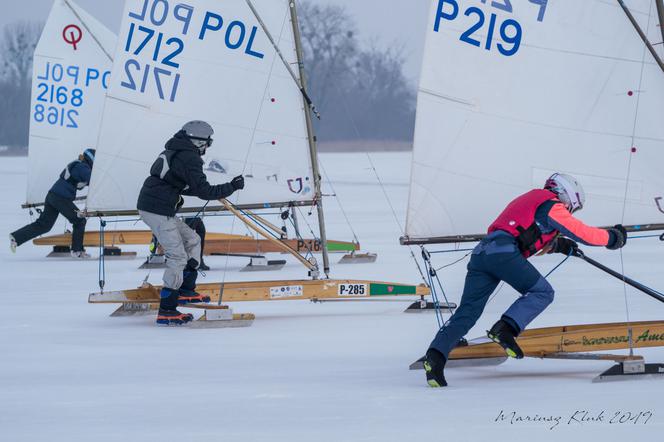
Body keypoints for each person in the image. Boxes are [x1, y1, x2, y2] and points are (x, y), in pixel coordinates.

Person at [424, 173, 628, 388]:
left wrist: (560, 246)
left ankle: (435, 358)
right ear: (566, 197)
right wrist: (613, 238)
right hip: (502, 253)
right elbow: (582, 233)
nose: (570, 211)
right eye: (572, 207)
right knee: (543, 292)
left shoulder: (532, 200)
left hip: (482, 255)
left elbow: (530, 233)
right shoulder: (551, 204)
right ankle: (505, 329)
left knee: (467, 313)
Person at [137, 121, 245, 326]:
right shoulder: (190, 158)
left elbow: (187, 185)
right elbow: (203, 190)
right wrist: (231, 186)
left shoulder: (177, 149)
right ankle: (167, 310)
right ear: (199, 141)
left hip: (159, 206)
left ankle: (186, 291)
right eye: (207, 144)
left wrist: (219, 188)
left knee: (193, 239)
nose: (207, 148)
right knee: (177, 256)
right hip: (156, 209)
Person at [10, 149, 96, 258]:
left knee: (44, 225)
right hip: (61, 198)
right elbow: (94, 180)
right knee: (79, 220)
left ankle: (16, 237)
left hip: (52, 196)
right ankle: (77, 251)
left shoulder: (79, 165)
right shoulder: (83, 168)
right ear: (91, 159)